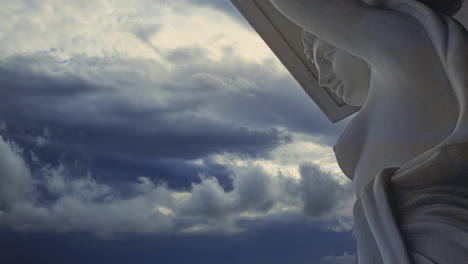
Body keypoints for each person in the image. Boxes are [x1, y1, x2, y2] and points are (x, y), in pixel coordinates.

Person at [270, 0, 468, 263]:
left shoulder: (412, 51)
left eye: (327, 57)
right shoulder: (389, 102)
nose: (322, 79)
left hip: (444, 238)